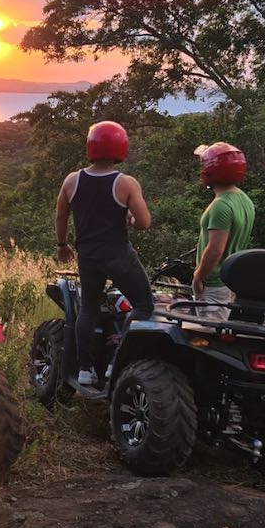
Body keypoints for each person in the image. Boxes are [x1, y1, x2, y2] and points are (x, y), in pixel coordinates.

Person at [54, 121, 154, 386]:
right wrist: (130, 218)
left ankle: (85, 369)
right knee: (144, 305)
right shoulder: (126, 183)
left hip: (87, 255)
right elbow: (144, 223)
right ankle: (115, 362)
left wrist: (62, 245)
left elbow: (61, 216)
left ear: (91, 147)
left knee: (88, 308)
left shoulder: (72, 180)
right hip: (118, 256)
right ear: (121, 148)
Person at [192, 142, 255, 321]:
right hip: (229, 280)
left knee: (206, 338)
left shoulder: (221, 206)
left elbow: (215, 250)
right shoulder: (244, 200)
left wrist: (198, 277)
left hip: (212, 284)